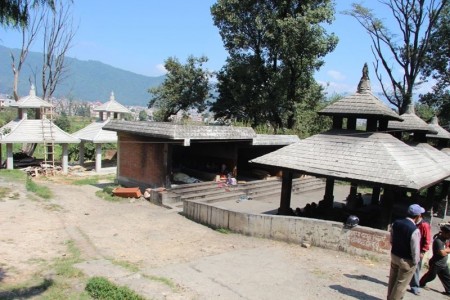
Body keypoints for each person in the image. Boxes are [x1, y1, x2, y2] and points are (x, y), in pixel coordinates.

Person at [387, 204, 424, 300]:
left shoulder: (396, 223)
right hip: (407, 260)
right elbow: (415, 249)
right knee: (401, 284)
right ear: (417, 216)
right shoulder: (414, 230)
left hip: (395, 255)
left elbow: (391, 240)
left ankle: (389, 297)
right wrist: (416, 262)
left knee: (392, 280)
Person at [419, 224, 450, 295]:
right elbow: (442, 253)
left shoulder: (446, 240)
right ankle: (421, 283)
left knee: (447, 278)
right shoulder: (438, 241)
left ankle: (448, 291)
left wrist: (446, 250)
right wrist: (447, 250)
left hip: (443, 263)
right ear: (444, 233)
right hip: (436, 263)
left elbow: (445, 251)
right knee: (431, 276)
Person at [409, 214, 431, 295]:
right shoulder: (413, 223)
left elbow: (427, 239)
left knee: (416, 268)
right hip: (410, 248)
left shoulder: (424, 225)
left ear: (419, 216)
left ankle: (415, 287)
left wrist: (423, 251)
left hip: (418, 250)